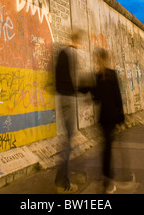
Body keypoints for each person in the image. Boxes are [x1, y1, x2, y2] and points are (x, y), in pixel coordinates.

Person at [79, 47, 125, 194]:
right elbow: (118, 97)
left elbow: (96, 97)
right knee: (108, 149)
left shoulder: (98, 76)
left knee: (106, 148)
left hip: (103, 118)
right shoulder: (111, 74)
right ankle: (108, 181)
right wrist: (121, 118)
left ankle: (107, 179)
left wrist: (85, 89)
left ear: (98, 59)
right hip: (112, 117)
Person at [54, 30, 82, 194]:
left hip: (61, 97)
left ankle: (63, 178)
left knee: (68, 139)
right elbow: (74, 78)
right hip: (69, 98)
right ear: (76, 40)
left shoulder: (61, 52)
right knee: (69, 141)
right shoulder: (72, 53)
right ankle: (62, 182)